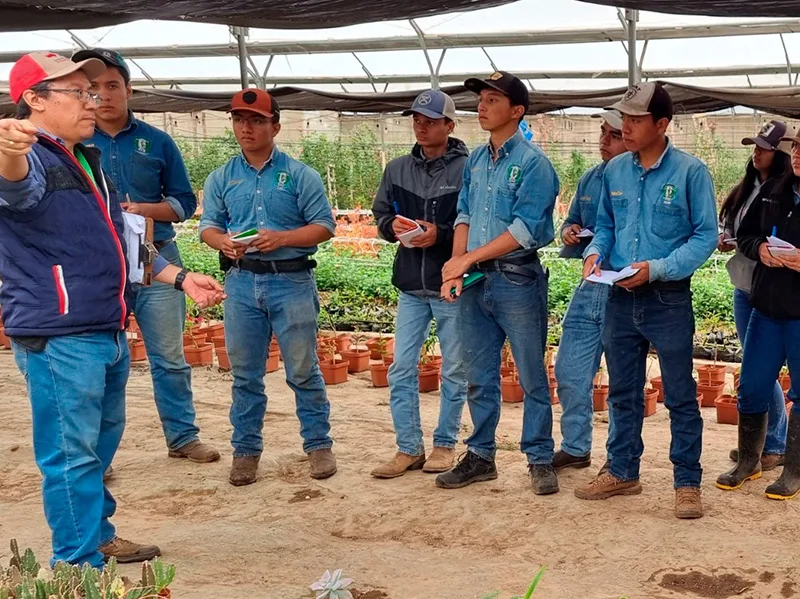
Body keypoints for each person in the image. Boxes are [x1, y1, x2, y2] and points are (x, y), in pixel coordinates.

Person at [0, 52, 224, 568]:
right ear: (35, 100)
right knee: (70, 455)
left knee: (95, 450)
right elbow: (13, 184)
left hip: (103, 328)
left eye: (94, 90)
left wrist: (181, 277)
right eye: (77, 93)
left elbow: (122, 243)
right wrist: (10, 150)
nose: (92, 100)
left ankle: (96, 535)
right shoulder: (32, 156)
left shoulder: (84, 159)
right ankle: (77, 567)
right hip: (61, 336)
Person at [72, 47, 220, 468]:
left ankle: (182, 436)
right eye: (93, 88)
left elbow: (184, 202)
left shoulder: (156, 141)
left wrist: (143, 211)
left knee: (169, 356)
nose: (103, 95)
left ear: (128, 90)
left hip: (158, 257)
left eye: (112, 85)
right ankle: (95, 460)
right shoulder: (75, 143)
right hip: (100, 268)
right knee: (100, 360)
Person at [577, 82, 718, 519]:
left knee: (679, 394)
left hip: (667, 298)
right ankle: (622, 471)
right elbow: (604, 225)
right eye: (625, 119)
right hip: (619, 296)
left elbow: (706, 236)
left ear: (662, 124)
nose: (627, 126)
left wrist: (656, 269)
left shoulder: (690, 172)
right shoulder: (615, 171)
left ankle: (687, 482)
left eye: (637, 120)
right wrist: (594, 253)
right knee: (622, 392)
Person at [199, 88, 337, 487]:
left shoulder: (299, 175)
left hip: (291, 281)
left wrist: (282, 238)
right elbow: (208, 224)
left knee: (302, 369)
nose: (247, 127)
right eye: (240, 120)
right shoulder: (221, 177)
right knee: (244, 374)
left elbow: (324, 226)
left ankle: (318, 445)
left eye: (257, 120)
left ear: (275, 126)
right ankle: (245, 451)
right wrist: (219, 241)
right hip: (241, 283)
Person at [437, 71, 561, 495]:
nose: (482, 106)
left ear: (517, 111)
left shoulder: (533, 165)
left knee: (530, 375)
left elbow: (526, 229)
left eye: (492, 99)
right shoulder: (475, 159)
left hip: (517, 278)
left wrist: (466, 258)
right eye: (482, 99)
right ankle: (481, 456)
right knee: (479, 374)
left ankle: (540, 458)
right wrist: (457, 264)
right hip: (474, 280)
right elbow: (465, 213)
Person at [370, 90, 468, 478]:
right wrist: (390, 226)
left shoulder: (469, 168)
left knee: (455, 369)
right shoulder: (396, 169)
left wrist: (440, 235)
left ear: (449, 125)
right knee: (401, 368)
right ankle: (408, 447)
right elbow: (380, 213)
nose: (422, 127)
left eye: (430, 121)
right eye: (417, 120)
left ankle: (444, 445)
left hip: (451, 286)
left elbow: (474, 223)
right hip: (411, 284)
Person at [716, 130, 800, 501]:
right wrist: (760, 247)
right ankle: (748, 460)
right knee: (752, 385)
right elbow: (746, 233)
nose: (797, 154)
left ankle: (793, 470)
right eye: (797, 147)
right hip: (766, 308)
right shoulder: (775, 191)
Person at [553, 110, 627, 472]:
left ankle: (618, 461)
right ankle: (576, 446)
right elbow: (571, 222)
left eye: (613, 135)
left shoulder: (635, 181)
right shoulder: (590, 178)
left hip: (624, 286)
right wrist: (569, 231)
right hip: (590, 282)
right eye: (603, 133)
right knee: (569, 371)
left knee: (621, 380)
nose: (604, 141)